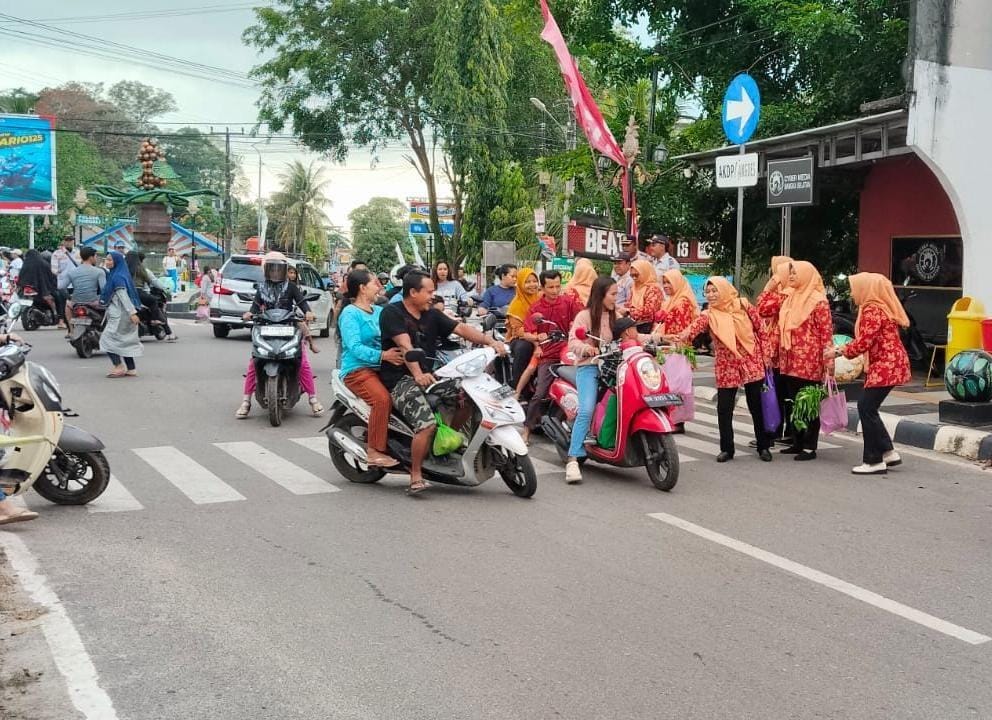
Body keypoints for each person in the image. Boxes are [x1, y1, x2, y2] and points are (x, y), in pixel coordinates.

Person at [379, 270, 507, 494]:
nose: (432, 295)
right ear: (413, 292)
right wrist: (418, 374)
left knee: (469, 395)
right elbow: (405, 345)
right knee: (426, 425)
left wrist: (490, 342)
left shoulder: (431, 314)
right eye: (429, 292)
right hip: (400, 380)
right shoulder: (392, 313)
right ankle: (416, 474)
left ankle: (445, 441)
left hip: (431, 375)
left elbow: (462, 329)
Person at [675, 278, 771, 463]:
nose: (710, 295)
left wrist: (766, 354)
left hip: (751, 360)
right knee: (724, 408)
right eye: (707, 292)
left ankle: (763, 446)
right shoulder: (709, 315)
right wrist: (678, 337)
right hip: (727, 365)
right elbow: (692, 329)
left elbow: (761, 330)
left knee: (756, 406)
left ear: (725, 290)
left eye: (714, 291)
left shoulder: (743, 305)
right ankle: (727, 449)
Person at [824, 273, 910, 475]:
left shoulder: (872, 310)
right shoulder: (877, 308)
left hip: (886, 365)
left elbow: (864, 342)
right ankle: (887, 452)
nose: (853, 293)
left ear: (866, 289)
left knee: (866, 407)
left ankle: (873, 460)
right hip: (889, 363)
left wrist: (837, 351)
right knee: (869, 408)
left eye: (855, 288)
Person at [236, 252, 323, 418]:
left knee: (302, 361)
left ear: (284, 271)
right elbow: (255, 307)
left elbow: (302, 303)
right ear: (267, 271)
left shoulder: (291, 287)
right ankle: (246, 401)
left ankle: (313, 399)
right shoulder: (261, 288)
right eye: (272, 269)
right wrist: (249, 313)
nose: (275, 273)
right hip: (265, 326)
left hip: (289, 325)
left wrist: (308, 312)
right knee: (254, 363)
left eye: (278, 269)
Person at [338, 269, 405, 469]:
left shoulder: (379, 312)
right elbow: (354, 347)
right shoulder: (350, 313)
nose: (380, 287)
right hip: (358, 369)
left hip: (384, 367)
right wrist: (383, 355)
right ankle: (374, 451)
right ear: (362, 288)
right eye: (376, 284)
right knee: (382, 400)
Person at [563, 277, 619, 483]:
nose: (616, 298)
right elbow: (573, 341)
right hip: (589, 367)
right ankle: (572, 459)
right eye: (613, 294)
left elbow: (632, 335)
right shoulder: (584, 316)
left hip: (614, 368)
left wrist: (658, 339)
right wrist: (586, 348)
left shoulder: (616, 315)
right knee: (586, 409)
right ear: (600, 295)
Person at [778, 260, 833, 461]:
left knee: (809, 403)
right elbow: (765, 308)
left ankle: (810, 446)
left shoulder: (818, 301)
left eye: (795, 273)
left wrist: (829, 361)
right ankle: (797, 441)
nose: (791, 277)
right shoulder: (789, 298)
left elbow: (826, 333)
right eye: (790, 273)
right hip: (790, 358)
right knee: (793, 402)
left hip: (809, 360)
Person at [520, 270, 583, 444]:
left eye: (557, 286)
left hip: (569, 352)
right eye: (550, 287)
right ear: (543, 287)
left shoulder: (568, 302)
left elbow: (582, 319)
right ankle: (526, 429)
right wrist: (536, 338)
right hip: (548, 355)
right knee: (539, 394)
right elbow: (526, 331)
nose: (555, 290)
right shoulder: (536, 308)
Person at [756, 256, 794, 446]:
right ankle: (786, 432)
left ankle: (775, 431)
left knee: (777, 394)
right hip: (785, 353)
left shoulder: (783, 295)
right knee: (784, 394)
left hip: (779, 353)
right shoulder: (791, 294)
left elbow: (761, 309)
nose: (774, 277)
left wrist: (767, 288)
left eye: (777, 273)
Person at [98, 251, 142, 378]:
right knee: (124, 341)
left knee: (106, 340)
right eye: (106, 259)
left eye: (110, 260)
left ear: (116, 262)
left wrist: (132, 312)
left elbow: (123, 296)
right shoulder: (120, 274)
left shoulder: (117, 277)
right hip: (124, 314)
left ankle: (118, 366)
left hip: (121, 314)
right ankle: (131, 368)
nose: (107, 262)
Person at [126, 253, 177, 342]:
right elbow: (152, 280)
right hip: (139, 292)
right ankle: (155, 320)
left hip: (126, 294)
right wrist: (165, 287)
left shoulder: (124, 269)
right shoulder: (141, 269)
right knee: (153, 301)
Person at [506, 267, 542, 389]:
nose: (532, 284)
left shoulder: (542, 299)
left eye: (534, 281)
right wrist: (536, 337)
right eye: (527, 282)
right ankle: (518, 388)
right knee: (524, 348)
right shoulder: (516, 305)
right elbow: (519, 331)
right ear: (521, 284)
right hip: (520, 338)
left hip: (542, 335)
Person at [64, 247, 106, 324]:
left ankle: (71, 330)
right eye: (96, 256)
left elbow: (62, 286)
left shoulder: (72, 272)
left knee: (67, 304)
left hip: (76, 302)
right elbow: (104, 289)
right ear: (91, 257)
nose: (96, 258)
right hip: (93, 302)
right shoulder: (99, 271)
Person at [17, 249, 58, 324]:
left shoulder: (26, 264)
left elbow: (21, 276)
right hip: (42, 289)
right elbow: (51, 277)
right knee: (57, 296)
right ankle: (56, 315)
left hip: (28, 288)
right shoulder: (44, 264)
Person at [286, 265, 319, 353]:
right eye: (290, 273)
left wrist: (308, 312)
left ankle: (311, 344)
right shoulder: (266, 286)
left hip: (288, 315)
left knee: (302, 325)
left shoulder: (293, 286)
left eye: (294, 273)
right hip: (271, 317)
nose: (292, 275)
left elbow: (301, 301)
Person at [658, 268, 700, 336]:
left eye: (669, 282)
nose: (665, 286)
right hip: (667, 342)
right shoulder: (669, 301)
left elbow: (682, 331)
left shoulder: (682, 303)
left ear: (677, 282)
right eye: (664, 283)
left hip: (677, 344)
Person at [625, 259, 665, 327]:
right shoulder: (634, 287)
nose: (634, 278)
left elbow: (649, 311)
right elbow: (628, 304)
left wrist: (629, 311)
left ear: (644, 273)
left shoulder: (653, 289)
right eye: (632, 275)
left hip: (648, 326)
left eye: (636, 275)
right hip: (633, 323)